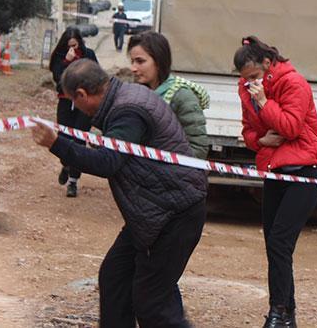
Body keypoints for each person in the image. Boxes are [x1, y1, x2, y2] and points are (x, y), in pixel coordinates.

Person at [32, 59, 207, 327]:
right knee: (115, 277)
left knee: (153, 304)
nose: (74, 109)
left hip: (172, 214)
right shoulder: (125, 97)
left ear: (82, 94)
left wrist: (56, 144)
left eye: (73, 102)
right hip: (153, 212)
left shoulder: (127, 110)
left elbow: (107, 162)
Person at [235, 35, 317, 328]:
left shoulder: (293, 83)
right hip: (274, 171)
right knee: (274, 246)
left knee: (279, 243)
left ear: (268, 63)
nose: (250, 84)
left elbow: (290, 126)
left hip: (302, 173)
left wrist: (264, 101)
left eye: (255, 77)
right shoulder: (246, 89)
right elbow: (248, 132)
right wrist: (261, 139)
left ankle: (277, 312)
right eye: (246, 80)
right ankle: (288, 315)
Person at [128, 32, 210, 159]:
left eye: (140, 61)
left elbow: (198, 148)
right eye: (132, 61)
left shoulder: (182, 96)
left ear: (159, 61)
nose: (133, 68)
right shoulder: (136, 93)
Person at [48, 27, 99, 197]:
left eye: (75, 45)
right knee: (63, 138)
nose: (72, 49)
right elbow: (58, 78)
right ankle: (66, 165)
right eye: (69, 46)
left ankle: (73, 182)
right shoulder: (59, 57)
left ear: (80, 42)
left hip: (84, 104)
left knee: (79, 141)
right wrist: (66, 63)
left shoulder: (88, 55)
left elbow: (97, 76)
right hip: (65, 102)